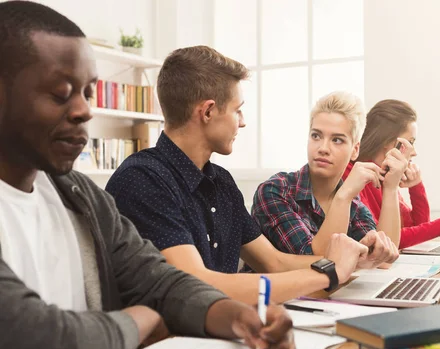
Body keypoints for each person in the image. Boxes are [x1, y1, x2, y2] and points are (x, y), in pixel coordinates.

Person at [0, 2, 310, 349]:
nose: (83, 110)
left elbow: (160, 281)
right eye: (61, 94)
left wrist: (239, 318)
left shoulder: (81, 197)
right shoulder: (140, 178)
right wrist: (143, 318)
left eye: (88, 92)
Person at [105, 47, 398, 306]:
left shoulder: (221, 183)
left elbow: (274, 261)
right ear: (208, 112)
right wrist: (329, 272)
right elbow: (197, 286)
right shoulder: (143, 180)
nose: (242, 122)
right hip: (166, 348)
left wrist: (355, 262)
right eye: (238, 110)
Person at [252, 91, 411, 258]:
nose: (323, 148)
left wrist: (391, 187)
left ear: (355, 150)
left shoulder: (355, 207)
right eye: (316, 136)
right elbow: (317, 263)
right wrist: (344, 195)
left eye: (337, 140)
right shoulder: (275, 191)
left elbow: (383, 258)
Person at [342, 99, 440, 249]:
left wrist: (416, 186)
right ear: (387, 142)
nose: (414, 152)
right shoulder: (355, 176)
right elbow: (387, 242)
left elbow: (417, 227)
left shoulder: (385, 174)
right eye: (410, 142)